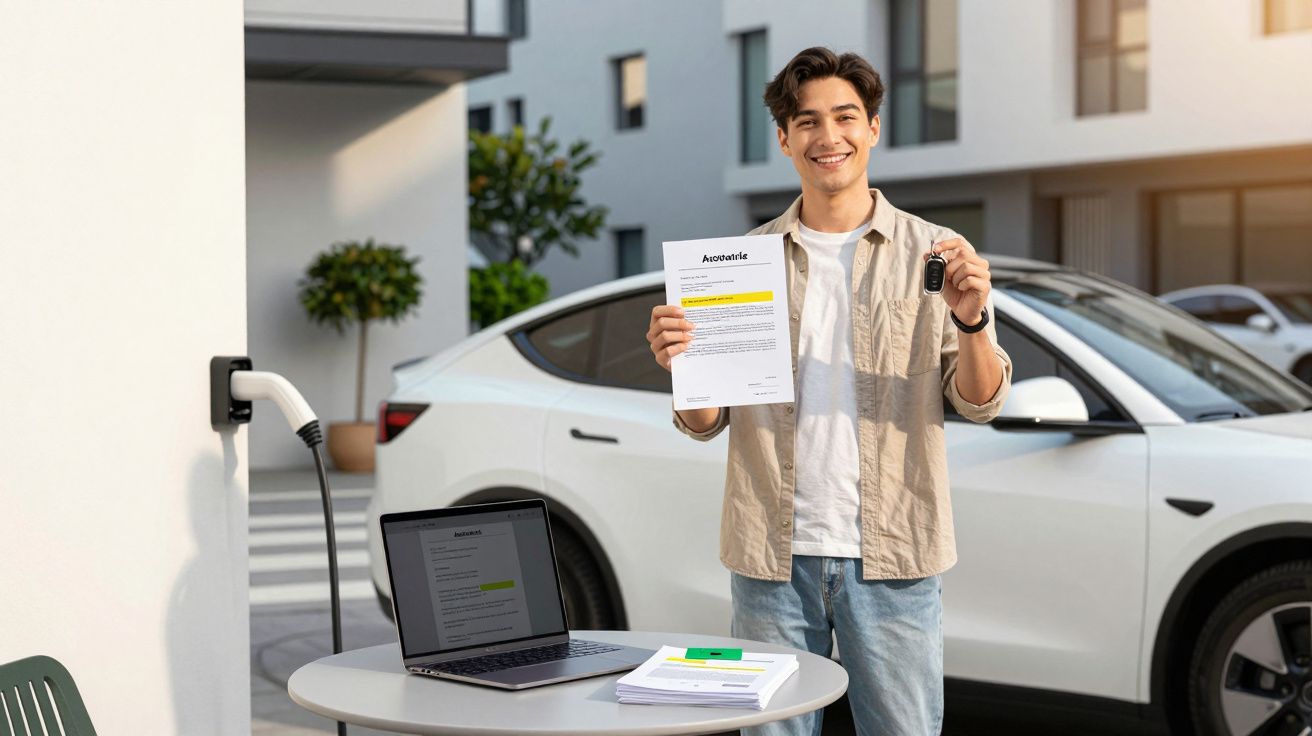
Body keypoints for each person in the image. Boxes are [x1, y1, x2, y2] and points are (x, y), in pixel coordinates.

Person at [645, 47, 1013, 736]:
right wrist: (683, 366)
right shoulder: (740, 264)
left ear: (874, 128)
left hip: (896, 556)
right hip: (771, 561)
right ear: (785, 139)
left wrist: (973, 321)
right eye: (807, 122)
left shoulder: (934, 252)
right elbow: (704, 421)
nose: (828, 136)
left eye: (846, 117)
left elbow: (980, 400)